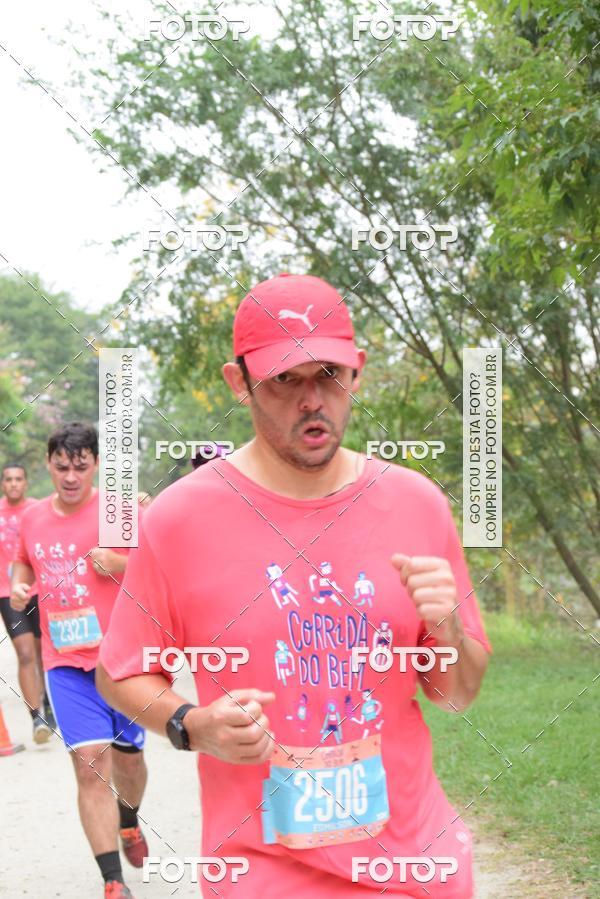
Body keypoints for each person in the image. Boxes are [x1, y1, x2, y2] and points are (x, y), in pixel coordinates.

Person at [97, 273, 491, 897]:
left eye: (329, 375)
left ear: (357, 372)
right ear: (240, 382)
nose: (313, 400)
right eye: (285, 379)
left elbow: (455, 694)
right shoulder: (180, 519)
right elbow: (120, 671)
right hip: (262, 872)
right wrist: (189, 724)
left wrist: (445, 630)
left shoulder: (417, 505)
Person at [10, 423, 148, 899]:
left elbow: (157, 563)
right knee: (90, 762)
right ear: (49, 464)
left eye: (81, 466)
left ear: (95, 464)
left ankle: (129, 821)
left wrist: (120, 562)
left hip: (121, 661)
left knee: (130, 763)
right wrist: (20, 584)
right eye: (62, 466)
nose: (71, 476)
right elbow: (23, 560)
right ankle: (113, 880)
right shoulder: (32, 517)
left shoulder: (116, 511)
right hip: (64, 662)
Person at [0, 462, 54, 742]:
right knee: (24, 654)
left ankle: (50, 703)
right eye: (8, 479)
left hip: (40, 590)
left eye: (18, 479)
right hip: (8, 594)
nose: (13, 484)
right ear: (3, 484)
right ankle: (37, 718)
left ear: (26, 483)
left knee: (44, 653)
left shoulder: (37, 511)